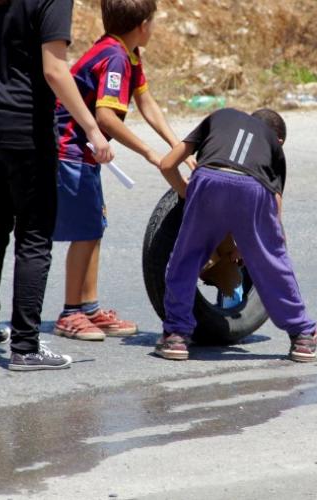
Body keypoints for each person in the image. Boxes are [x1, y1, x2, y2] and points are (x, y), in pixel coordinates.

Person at [0, 0, 114, 370]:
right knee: (34, 233)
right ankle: (25, 346)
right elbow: (55, 70)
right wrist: (91, 128)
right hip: (25, 128)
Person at [52, 0, 192, 341]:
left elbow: (146, 102)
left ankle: (90, 307)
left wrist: (178, 147)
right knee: (85, 232)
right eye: (154, 21)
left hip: (84, 152)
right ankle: (70, 313)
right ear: (143, 25)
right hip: (70, 150)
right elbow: (106, 117)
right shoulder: (114, 57)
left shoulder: (126, 51)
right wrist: (149, 153)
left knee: (94, 226)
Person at [156, 108, 317, 362]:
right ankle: (303, 336)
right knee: (271, 263)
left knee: (186, 259)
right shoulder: (273, 146)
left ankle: (176, 336)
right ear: (280, 141)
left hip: (209, 179)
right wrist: (252, 245)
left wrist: (187, 195)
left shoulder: (219, 117)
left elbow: (167, 164)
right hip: (254, 188)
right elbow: (275, 212)